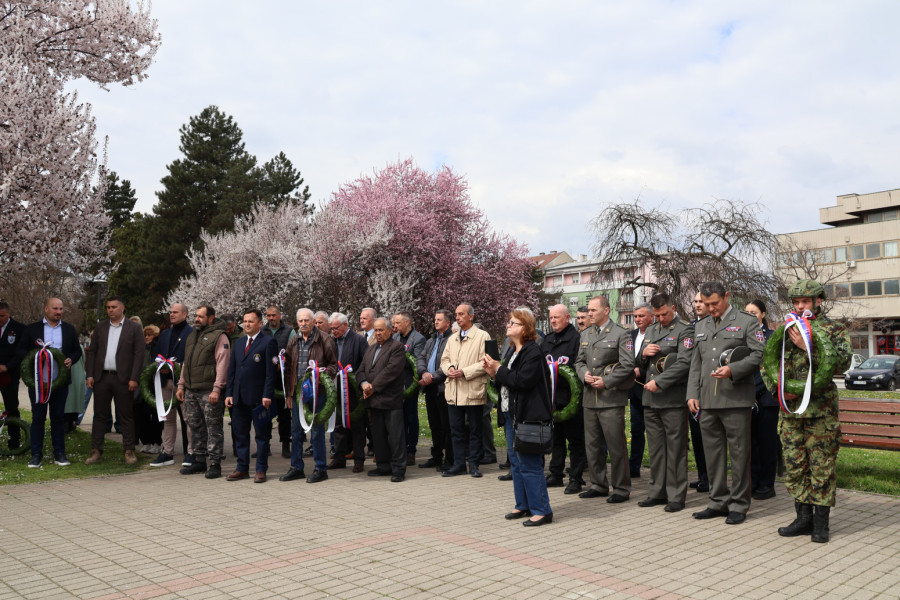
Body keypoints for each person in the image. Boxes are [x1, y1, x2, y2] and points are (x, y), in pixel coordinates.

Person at [766, 280, 851, 543]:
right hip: (791, 413)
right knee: (795, 466)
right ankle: (803, 518)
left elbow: (843, 363)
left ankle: (821, 523)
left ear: (819, 301)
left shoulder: (834, 329)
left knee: (821, 467)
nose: (800, 306)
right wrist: (778, 390)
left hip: (820, 413)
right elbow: (767, 365)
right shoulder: (785, 329)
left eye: (805, 301)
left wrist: (808, 346)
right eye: (796, 302)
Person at [686, 281, 765, 525]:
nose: (710, 309)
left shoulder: (747, 321)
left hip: (735, 399)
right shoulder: (701, 325)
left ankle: (739, 504)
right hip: (707, 400)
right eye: (706, 304)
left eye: (715, 304)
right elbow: (696, 363)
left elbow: (758, 354)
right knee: (713, 454)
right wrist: (692, 394)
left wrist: (733, 369)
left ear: (727, 297)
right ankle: (717, 501)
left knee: (739, 454)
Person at [483, 308, 554, 526]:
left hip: (529, 416)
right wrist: (494, 373)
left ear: (525, 328)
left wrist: (499, 369)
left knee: (530, 464)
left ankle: (542, 510)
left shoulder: (533, 351)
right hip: (512, 413)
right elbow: (508, 379)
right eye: (509, 323)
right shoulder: (513, 351)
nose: (508, 326)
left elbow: (524, 380)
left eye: (513, 323)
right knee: (516, 463)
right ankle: (523, 504)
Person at [636, 293, 694, 512]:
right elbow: (640, 362)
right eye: (657, 315)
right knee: (657, 449)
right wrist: (643, 353)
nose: (661, 319)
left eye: (664, 314)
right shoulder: (651, 330)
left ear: (673, 307)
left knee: (676, 449)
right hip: (650, 399)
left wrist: (660, 382)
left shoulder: (684, 330)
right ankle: (657, 492)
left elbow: (684, 362)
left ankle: (676, 495)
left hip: (671, 398)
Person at [575, 295, 635, 503]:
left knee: (616, 445)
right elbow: (579, 362)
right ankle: (598, 484)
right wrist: (584, 375)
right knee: (592, 445)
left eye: (593, 310)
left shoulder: (621, 333)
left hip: (611, 398)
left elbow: (627, 366)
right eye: (588, 311)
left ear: (606, 311)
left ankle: (621, 488)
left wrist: (607, 381)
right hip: (590, 398)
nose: (589, 314)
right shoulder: (586, 334)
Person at [14, 298, 82, 467]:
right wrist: (34, 357)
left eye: (60, 309)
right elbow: (21, 350)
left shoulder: (68, 329)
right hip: (38, 383)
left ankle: (60, 454)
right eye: (55, 308)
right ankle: (36, 455)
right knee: (38, 418)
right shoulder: (32, 329)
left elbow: (76, 351)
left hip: (60, 383)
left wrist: (70, 360)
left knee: (58, 418)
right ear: (46, 309)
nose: (58, 312)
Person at [280, 308, 338, 484]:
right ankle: (296, 467)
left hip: (317, 393)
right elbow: (288, 369)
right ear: (296, 322)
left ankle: (321, 468)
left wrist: (322, 373)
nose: (303, 324)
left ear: (313, 321)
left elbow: (334, 366)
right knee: (296, 431)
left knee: (316, 432)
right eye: (300, 321)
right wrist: (289, 394)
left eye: (307, 320)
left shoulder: (325, 340)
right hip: (298, 394)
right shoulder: (294, 340)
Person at [85, 296, 144, 465]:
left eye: (114, 307)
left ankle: (129, 450)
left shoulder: (133, 328)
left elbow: (139, 354)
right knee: (99, 416)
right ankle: (96, 450)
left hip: (123, 379)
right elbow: (93, 352)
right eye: (108, 307)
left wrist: (134, 378)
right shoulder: (101, 327)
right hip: (102, 378)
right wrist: (90, 375)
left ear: (122, 308)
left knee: (126, 415)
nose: (110, 310)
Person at [176, 305, 231, 479]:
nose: (197, 319)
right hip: (191, 390)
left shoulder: (220, 336)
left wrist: (217, 389)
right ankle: (199, 460)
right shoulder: (193, 335)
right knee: (195, 426)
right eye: (196, 316)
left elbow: (223, 364)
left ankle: (215, 463)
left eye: (201, 316)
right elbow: (187, 362)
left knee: (213, 428)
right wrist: (181, 385)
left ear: (211, 318)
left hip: (209, 391)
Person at [224, 309, 278, 483]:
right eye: (245, 321)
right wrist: (229, 393)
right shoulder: (239, 344)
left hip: (259, 399)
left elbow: (271, 373)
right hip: (239, 397)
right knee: (240, 435)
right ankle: (242, 468)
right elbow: (231, 370)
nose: (246, 324)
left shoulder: (268, 342)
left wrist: (267, 394)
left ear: (260, 324)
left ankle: (261, 469)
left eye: (250, 321)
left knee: (262, 436)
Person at [440, 303, 491, 477]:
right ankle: (459, 463)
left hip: (472, 390)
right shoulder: (452, 338)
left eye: (461, 314)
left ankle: (474, 464)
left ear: (471, 316)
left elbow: (487, 362)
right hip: (454, 390)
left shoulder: (483, 336)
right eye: (456, 314)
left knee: (476, 429)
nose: (458, 317)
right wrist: (450, 369)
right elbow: (444, 360)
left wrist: (464, 372)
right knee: (456, 429)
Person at [541, 304, 585, 495]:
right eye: (551, 318)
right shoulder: (548, 340)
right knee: (556, 438)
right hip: (552, 398)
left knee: (575, 440)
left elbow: (579, 365)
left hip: (570, 398)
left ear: (567, 318)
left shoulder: (576, 339)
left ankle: (576, 478)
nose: (553, 321)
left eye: (557, 317)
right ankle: (556, 474)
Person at [356, 317, 408, 482]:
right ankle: (383, 466)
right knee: (378, 435)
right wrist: (364, 384)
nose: (378, 333)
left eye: (381, 330)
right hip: (374, 401)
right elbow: (361, 370)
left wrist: (372, 388)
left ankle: (399, 468)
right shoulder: (371, 349)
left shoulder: (397, 347)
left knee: (395, 436)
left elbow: (390, 371)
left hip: (390, 400)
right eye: (376, 330)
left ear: (389, 330)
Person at [150, 303, 194, 468]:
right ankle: (167, 452)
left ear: (185, 314)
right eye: (170, 312)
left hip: (182, 382)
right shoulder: (165, 334)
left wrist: (175, 367)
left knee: (188, 418)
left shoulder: (191, 333)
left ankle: (192, 452)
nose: (172, 315)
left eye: (175, 312)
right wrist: (160, 365)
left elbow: (191, 358)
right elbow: (158, 354)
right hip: (164, 381)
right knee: (168, 418)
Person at [745, 299, 779, 501]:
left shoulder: (772, 337)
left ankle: (767, 484)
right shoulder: (741, 335)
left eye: (754, 312)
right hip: (746, 397)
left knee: (767, 443)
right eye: (747, 312)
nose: (750, 315)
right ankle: (754, 480)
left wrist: (757, 388)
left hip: (766, 397)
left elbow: (772, 368)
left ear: (763, 314)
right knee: (751, 443)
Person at [327, 312, 368, 472]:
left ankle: (359, 459)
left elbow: (365, 363)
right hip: (336, 390)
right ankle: (339, 458)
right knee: (338, 426)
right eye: (331, 329)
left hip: (354, 390)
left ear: (345, 325)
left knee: (357, 426)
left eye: (336, 328)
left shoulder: (358, 340)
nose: (333, 331)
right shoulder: (331, 341)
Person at [417, 310, 453, 471]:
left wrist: (433, 376)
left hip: (443, 388)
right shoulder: (432, 339)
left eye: (439, 320)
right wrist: (424, 373)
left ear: (447, 323)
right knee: (434, 425)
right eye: (435, 319)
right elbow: (421, 358)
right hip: (430, 388)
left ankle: (449, 459)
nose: (435, 322)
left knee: (446, 426)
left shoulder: (451, 339)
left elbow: (450, 363)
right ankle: (436, 456)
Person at [392, 311, 426, 465]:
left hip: (410, 382)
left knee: (410, 417)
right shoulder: (395, 337)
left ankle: (411, 450)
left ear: (407, 322)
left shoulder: (418, 339)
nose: (395, 325)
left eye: (398, 323)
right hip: (396, 383)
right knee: (399, 418)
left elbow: (417, 360)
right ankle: (400, 449)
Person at [263, 304, 297, 459]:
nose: (271, 318)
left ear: (280, 315)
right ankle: (265, 445)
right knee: (265, 414)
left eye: (274, 315)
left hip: (283, 379)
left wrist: (282, 365)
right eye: (268, 315)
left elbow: (293, 353)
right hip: (266, 379)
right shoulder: (262, 331)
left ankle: (285, 445)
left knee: (284, 415)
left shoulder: (290, 331)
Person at [628, 304, 653, 478]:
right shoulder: (631, 335)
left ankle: (657, 467)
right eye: (635, 316)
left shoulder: (656, 334)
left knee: (653, 431)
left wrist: (641, 371)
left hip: (652, 387)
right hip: (635, 390)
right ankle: (634, 466)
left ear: (651, 317)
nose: (637, 319)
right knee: (636, 429)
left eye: (641, 316)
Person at [689, 291, 710, 493]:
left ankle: (712, 477)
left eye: (701, 301)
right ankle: (703, 475)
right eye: (695, 301)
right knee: (697, 436)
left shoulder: (714, 324)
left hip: (711, 389)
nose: (697, 305)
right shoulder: (691, 327)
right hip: (694, 391)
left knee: (710, 438)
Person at [0, 302, 26, 450]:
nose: (0, 319)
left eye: (2, 316)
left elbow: (21, 352)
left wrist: (7, 366)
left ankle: (14, 441)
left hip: (9, 375)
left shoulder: (19, 329)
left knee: (11, 408)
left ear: (8, 314)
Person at [134, 325, 162, 454]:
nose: (146, 337)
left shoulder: (157, 348)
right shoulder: (140, 348)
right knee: (141, 415)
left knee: (155, 416)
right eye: (145, 335)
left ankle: (156, 441)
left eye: (149, 335)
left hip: (155, 385)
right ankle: (145, 441)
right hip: (141, 385)